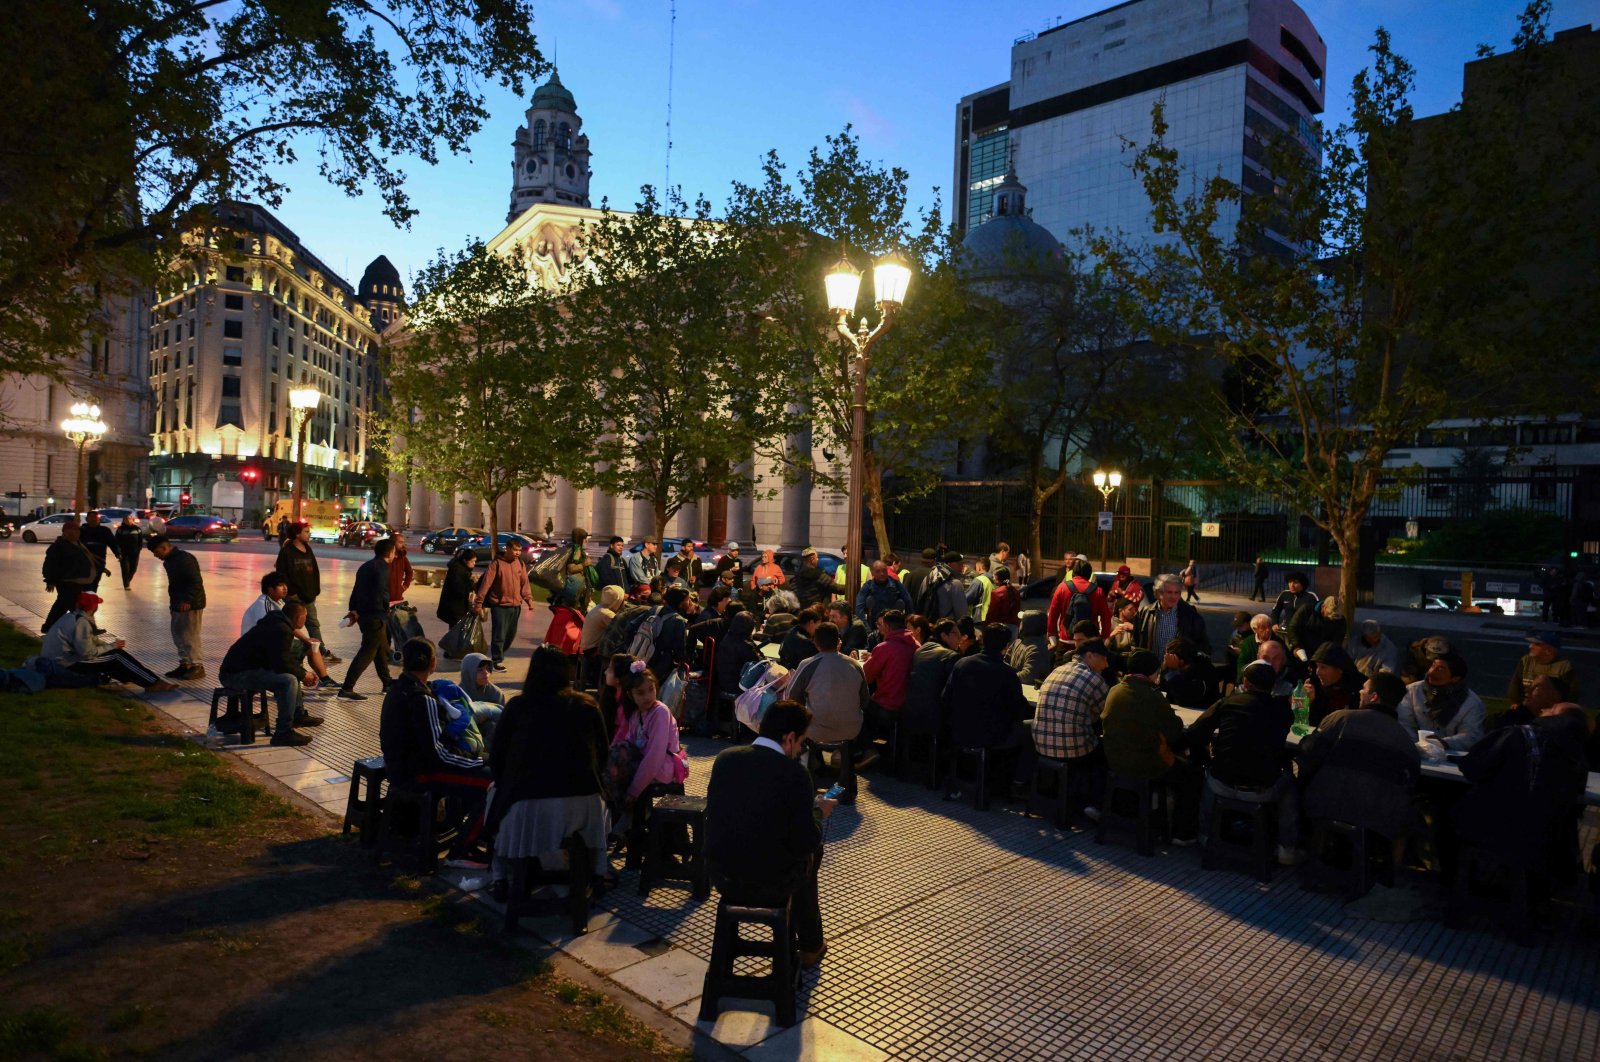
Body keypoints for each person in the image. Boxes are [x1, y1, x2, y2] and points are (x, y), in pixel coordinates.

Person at [704, 699, 837, 968]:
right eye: (801, 743)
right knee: (813, 850)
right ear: (789, 738)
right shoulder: (795, 775)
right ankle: (811, 944)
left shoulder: (725, 760)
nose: (800, 750)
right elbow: (804, 843)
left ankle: (811, 942)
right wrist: (818, 814)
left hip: (722, 876)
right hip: (771, 885)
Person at [486, 646, 612, 896]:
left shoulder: (518, 707)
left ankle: (498, 877)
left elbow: (497, 756)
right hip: (583, 806)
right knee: (601, 802)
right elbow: (603, 755)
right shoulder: (587, 705)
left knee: (493, 795)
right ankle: (599, 872)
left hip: (527, 807)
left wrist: (507, 784)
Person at [1454, 695, 1590, 889]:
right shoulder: (1577, 759)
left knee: (1447, 809)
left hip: (1486, 828)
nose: (1544, 710)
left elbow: (1471, 767)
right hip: (1542, 838)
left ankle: (1451, 884)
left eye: (1551, 709)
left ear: (1555, 718)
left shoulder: (1517, 735)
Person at [379, 637, 493, 867]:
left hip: (399, 766)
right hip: (418, 773)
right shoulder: (422, 698)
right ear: (433, 663)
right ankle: (462, 850)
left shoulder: (396, 689)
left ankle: (462, 829)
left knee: (482, 771)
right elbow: (438, 755)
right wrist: (475, 762)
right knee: (492, 784)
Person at [1295, 671, 1420, 877]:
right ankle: (1391, 876)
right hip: (1379, 819)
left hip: (1325, 805)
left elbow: (1308, 754)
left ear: (1374, 697)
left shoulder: (1341, 718)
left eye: (1365, 688)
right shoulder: (1406, 742)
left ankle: (1298, 847)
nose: (1360, 691)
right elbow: (1410, 783)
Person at [1179, 660, 1297, 863]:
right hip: (1264, 787)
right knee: (1290, 784)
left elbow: (1197, 732)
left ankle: (1206, 836)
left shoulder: (1228, 702)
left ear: (1246, 682)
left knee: (1208, 773)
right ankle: (1286, 848)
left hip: (1222, 783)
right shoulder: (1284, 710)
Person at [1099, 649, 1198, 842]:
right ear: (1153, 673)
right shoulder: (1151, 696)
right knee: (1191, 774)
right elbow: (1174, 731)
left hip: (1115, 760)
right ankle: (1183, 833)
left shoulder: (1115, 690)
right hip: (1145, 765)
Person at [943, 624, 1032, 794]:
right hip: (993, 736)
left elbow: (946, 697)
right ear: (1006, 646)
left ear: (982, 640)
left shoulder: (962, 664)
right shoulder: (1007, 673)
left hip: (959, 730)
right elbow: (1018, 709)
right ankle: (1019, 782)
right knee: (1032, 728)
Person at [219, 599, 320, 745]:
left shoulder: (278, 624)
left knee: (291, 673)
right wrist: (304, 675)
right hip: (235, 675)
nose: (306, 619)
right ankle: (283, 732)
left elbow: (281, 659)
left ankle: (295, 715)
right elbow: (281, 663)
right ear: (298, 617)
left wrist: (301, 672)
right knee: (289, 680)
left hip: (243, 670)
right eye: (305, 616)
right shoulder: (281, 629)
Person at [604, 661, 687, 834]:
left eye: (651, 689)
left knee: (616, 761)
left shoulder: (660, 712)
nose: (648, 696)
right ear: (630, 695)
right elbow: (627, 744)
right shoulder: (636, 715)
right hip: (645, 767)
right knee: (611, 759)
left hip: (663, 769)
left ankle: (627, 815)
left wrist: (634, 791)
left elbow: (654, 757)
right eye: (640, 693)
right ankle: (624, 815)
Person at [37, 592, 176, 691]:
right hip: (66, 663)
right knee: (116, 656)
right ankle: (153, 683)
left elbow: (89, 640)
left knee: (111, 655)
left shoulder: (72, 617)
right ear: (93, 607)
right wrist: (112, 646)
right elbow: (87, 653)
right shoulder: (82, 623)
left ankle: (133, 679)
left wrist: (107, 645)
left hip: (58, 659)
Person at [1032, 639, 1112, 809]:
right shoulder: (1093, 678)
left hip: (1040, 744)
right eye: (1104, 659)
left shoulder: (1057, 670)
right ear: (1090, 656)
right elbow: (1106, 711)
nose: (1106, 665)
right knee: (1106, 752)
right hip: (1070, 750)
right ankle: (1094, 806)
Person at [787, 623, 870, 777]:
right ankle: (840, 772)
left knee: (796, 719)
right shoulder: (854, 665)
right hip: (851, 728)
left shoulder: (808, 664)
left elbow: (791, 698)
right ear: (838, 641)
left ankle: (814, 767)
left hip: (817, 730)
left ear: (815, 642)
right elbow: (865, 700)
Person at [241, 571, 329, 685]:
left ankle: (323, 680)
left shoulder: (280, 603)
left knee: (310, 646)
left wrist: (306, 639)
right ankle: (297, 683)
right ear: (270, 589)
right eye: (280, 585)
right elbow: (272, 629)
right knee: (295, 649)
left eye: (285, 585)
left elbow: (287, 626)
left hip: (271, 642)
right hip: (260, 647)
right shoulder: (263, 605)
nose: (285, 588)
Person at [337, 538, 396, 700]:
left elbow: (356, 590)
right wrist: (385, 609)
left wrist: (354, 609)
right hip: (375, 616)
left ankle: (387, 682)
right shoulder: (383, 568)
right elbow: (381, 593)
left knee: (380, 649)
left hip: (364, 614)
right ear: (390, 553)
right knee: (368, 652)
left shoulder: (365, 566)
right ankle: (346, 688)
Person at [276, 519, 339, 664]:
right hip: (294, 597)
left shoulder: (308, 549)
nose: (308, 534)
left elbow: (315, 570)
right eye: (306, 532)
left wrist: (315, 590)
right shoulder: (287, 552)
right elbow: (282, 574)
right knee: (292, 624)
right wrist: (291, 593)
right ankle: (288, 650)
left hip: (309, 596)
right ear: (297, 534)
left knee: (313, 623)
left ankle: (321, 651)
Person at [1396, 651, 1485, 752]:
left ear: (1455, 678)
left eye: (1440, 669)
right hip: (1413, 749)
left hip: (1450, 755)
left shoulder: (1471, 703)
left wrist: (1443, 743)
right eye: (1433, 666)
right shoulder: (1412, 691)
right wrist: (1416, 745)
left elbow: (1471, 736)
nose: (1431, 672)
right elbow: (1403, 723)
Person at [148, 534, 206, 680]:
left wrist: (187, 600)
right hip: (178, 603)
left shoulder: (184, 559)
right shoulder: (170, 561)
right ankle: (185, 664)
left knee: (190, 635)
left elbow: (195, 581)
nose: (156, 556)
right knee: (178, 634)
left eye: (156, 552)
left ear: (164, 547)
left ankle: (197, 666)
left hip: (190, 604)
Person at [862, 609, 916, 754]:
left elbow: (866, 677)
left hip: (888, 704)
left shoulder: (885, 648)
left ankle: (867, 751)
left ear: (886, 626)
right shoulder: (916, 645)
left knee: (860, 708)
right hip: (910, 704)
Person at [474, 536, 532, 671]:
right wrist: (478, 603)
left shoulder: (520, 564)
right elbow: (485, 585)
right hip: (499, 605)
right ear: (508, 549)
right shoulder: (496, 564)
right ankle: (497, 660)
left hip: (515, 606)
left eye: (519, 550)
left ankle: (499, 653)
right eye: (515, 550)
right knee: (499, 633)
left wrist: (528, 599)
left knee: (510, 634)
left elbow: (525, 583)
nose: (518, 553)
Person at [41, 518, 96, 633]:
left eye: (77, 531)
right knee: (73, 606)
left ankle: (49, 626)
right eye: (71, 531)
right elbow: (50, 564)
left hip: (80, 581)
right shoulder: (59, 546)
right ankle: (88, 629)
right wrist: (50, 580)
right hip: (68, 581)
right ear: (65, 532)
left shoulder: (78, 543)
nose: (75, 533)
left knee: (63, 606)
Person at [1135, 573, 1211, 656]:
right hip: (1152, 668)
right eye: (1169, 592)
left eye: (1177, 593)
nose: (1174, 597)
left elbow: (1203, 647)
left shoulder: (1191, 615)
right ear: (1158, 593)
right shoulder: (1145, 613)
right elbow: (1136, 643)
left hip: (1179, 669)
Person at [1506, 630, 1579, 709]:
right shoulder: (1526, 661)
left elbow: (1572, 694)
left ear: (1548, 650)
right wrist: (1515, 702)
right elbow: (1516, 683)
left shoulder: (1564, 667)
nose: (1530, 646)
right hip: (1526, 707)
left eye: (1536, 644)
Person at [1047, 557, 1111, 644]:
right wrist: (1104, 637)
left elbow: (1053, 613)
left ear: (1073, 572)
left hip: (1066, 639)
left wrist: (1052, 636)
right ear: (1089, 574)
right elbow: (1105, 617)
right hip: (1090, 641)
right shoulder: (1098, 591)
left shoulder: (1062, 587)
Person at [1305, 642, 1365, 726]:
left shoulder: (1360, 688)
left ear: (1339, 669)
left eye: (1323, 667)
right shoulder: (1314, 687)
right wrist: (1307, 703)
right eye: (1317, 666)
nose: (1318, 672)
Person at [579, 584, 626, 688]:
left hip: (587, 648)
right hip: (594, 652)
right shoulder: (606, 614)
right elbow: (622, 627)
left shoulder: (599, 608)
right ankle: (607, 687)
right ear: (616, 600)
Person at [856, 559, 914, 628]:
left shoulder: (896, 584)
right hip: (874, 625)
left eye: (884, 570)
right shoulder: (868, 586)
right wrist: (867, 629)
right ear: (872, 573)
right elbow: (859, 608)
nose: (882, 573)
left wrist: (906, 625)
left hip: (894, 625)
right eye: (878, 571)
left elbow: (908, 602)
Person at [1288, 594, 1345, 662]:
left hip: (1322, 657)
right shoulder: (1306, 610)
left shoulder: (1340, 621)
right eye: (1329, 614)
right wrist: (1296, 646)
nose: (1331, 618)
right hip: (1302, 651)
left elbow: (1336, 643)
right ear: (1323, 607)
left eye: (1335, 617)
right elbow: (1293, 627)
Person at [1158, 637, 1212, 708]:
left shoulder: (1203, 672)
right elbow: (1161, 693)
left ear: (1182, 661)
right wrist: (1165, 671)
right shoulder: (1168, 668)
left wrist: (1173, 673)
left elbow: (1184, 699)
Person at [915, 551, 968, 621]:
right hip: (947, 627)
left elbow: (920, 600)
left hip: (929, 623)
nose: (962, 566)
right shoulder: (955, 584)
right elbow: (961, 614)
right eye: (959, 563)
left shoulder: (929, 577)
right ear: (949, 564)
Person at [436, 546, 479, 629]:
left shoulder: (461, 569)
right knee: (456, 631)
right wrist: (472, 582)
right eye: (472, 561)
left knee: (456, 630)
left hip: (456, 607)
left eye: (475, 561)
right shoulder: (458, 570)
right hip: (455, 608)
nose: (474, 563)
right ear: (465, 560)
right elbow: (459, 589)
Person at [1006, 610, 1051, 686]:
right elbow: (1006, 660)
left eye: (1022, 622)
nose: (1020, 623)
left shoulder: (1036, 649)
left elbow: (1028, 677)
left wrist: (1006, 676)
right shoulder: (1018, 642)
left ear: (1027, 625)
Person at [79, 512, 116, 593]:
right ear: (87, 519)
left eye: (95, 518)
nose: (93, 520)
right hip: (84, 561)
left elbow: (112, 543)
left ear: (98, 520)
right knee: (86, 582)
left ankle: (92, 599)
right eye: (91, 518)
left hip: (99, 561)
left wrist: (118, 553)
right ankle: (85, 600)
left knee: (95, 581)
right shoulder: (81, 531)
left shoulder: (105, 531)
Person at [560, 527, 596, 609]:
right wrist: (584, 564)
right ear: (580, 539)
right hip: (575, 587)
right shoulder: (577, 549)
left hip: (573, 586)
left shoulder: (570, 547)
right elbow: (571, 568)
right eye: (585, 539)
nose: (586, 541)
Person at [543, 590, 585, 655]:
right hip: (569, 649)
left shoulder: (560, 613)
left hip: (555, 648)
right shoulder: (577, 616)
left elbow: (550, 632)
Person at [113, 514, 144, 590]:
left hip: (135, 553)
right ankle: (126, 585)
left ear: (132, 520)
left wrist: (139, 549)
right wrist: (118, 552)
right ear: (123, 520)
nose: (128, 520)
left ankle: (127, 581)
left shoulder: (137, 529)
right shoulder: (120, 529)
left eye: (130, 519)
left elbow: (140, 541)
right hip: (124, 553)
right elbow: (116, 542)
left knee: (133, 569)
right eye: (126, 519)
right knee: (125, 569)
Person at [388, 535, 415, 605]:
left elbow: (409, 572)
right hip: (385, 599)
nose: (402, 545)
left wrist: (405, 586)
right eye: (400, 542)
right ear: (393, 543)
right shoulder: (386, 558)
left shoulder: (403, 557)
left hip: (398, 597)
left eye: (403, 542)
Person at [965, 556, 994, 621]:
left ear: (979, 567)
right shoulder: (994, 581)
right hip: (992, 616)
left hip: (980, 617)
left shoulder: (979, 580)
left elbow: (967, 598)